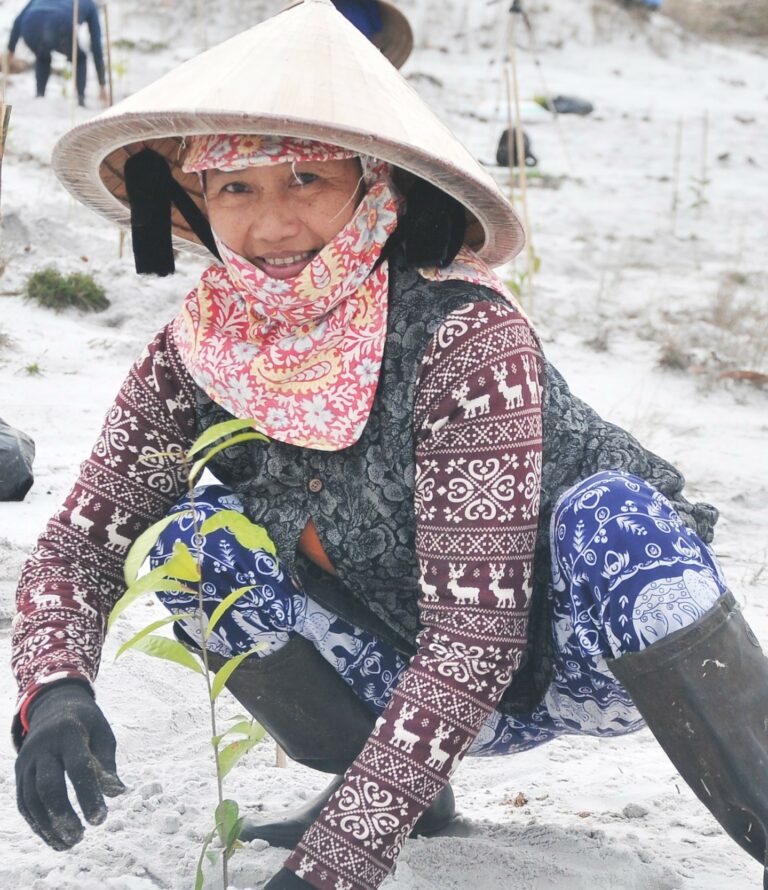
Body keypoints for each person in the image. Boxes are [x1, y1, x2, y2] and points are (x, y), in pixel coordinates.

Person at [11, 2, 768, 889]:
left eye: (306, 180)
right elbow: (80, 540)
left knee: (618, 519)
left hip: (578, 660)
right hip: (394, 672)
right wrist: (53, 689)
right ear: (198, 199)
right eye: (237, 188)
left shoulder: (463, 338)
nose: (272, 226)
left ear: (376, 185)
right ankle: (413, 798)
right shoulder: (201, 350)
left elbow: (474, 640)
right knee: (192, 548)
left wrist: (335, 865)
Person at [6, 0, 108, 107]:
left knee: (42, 56)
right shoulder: (90, 4)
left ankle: (40, 95)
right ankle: (80, 99)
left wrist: (10, 49)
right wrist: (102, 83)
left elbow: (18, 21)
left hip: (30, 23)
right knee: (80, 58)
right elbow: (96, 45)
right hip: (60, 23)